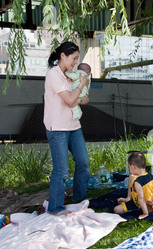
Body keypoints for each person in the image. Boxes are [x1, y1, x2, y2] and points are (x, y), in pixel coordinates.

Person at [44, 41, 90, 215]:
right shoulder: (53, 75)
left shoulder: (72, 75)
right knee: (61, 169)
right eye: (74, 58)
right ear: (62, 55)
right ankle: (55, 208)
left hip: (74, 126)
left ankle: (79, 198)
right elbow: (71, 100)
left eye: (77, 59)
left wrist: (76, 94)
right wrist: (79, 88)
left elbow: (85, 99)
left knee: (83, 163)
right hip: (57, 128)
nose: (75, 62)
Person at [114, 152, 153, 219]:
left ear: (133, 167)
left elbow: (141, 198)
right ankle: (128, 198)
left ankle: (144, 210)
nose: (129, 169)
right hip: (151, 200)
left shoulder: (137, 182)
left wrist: (145, 213)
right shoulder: (151, 176)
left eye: (129, 167)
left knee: (116, 209)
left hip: (140, 204)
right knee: (131, 177)